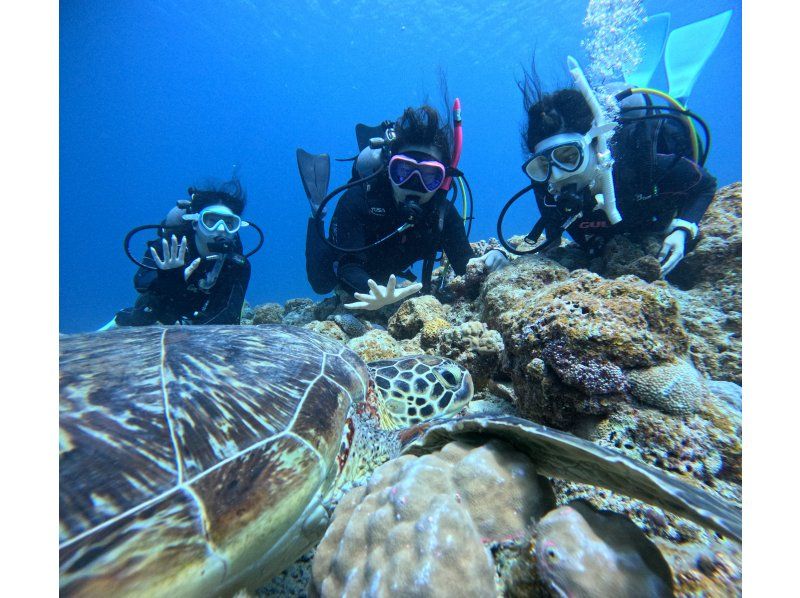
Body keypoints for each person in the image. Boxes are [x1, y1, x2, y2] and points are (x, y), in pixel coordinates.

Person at [497, 56, 717, 277]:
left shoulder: (639, 164)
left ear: (594, 144)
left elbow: (705, 184)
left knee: (680, 140)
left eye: (569, 156)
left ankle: (678, 96)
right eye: (542, 165)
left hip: (654, 187)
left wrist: (684, 228)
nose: (557, 174)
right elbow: (552, 240)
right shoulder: (547, 187)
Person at [299, 104, 508, 312]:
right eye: (404, 171)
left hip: (385, 268)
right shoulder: (359, 199)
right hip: (360, 262)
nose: (415, 185)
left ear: (443, 179)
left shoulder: (443, 215)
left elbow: (465, 264)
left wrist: (488, 261)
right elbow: (348, 266)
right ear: (389, 169)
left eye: (429, 176)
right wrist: (373, 292)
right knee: (321, 283)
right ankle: (317, 209)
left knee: (378, 274)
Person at [110, 178, 261, 327]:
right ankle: (121, 319)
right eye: (211, 221)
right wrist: (165, 278)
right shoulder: (168, 246)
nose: (221, 229)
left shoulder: (237, 265)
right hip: (161, 313)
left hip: (201, 319)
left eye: (229, 223)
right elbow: (140, 283)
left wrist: (191, 328)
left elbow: (229, 317)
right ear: (195, 223)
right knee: (144, 315)